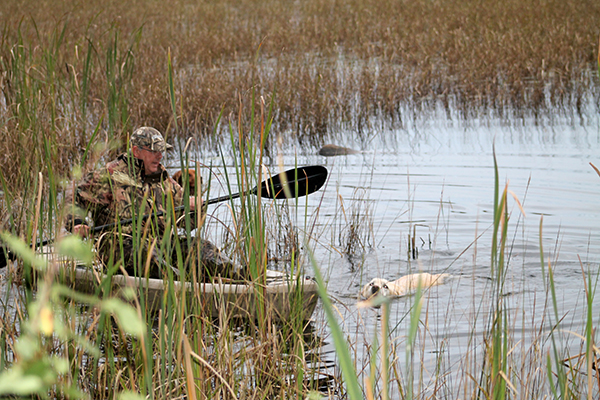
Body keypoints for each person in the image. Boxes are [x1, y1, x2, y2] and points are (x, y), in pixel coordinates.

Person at [65, 126, 239, 281]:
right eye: (154, 151)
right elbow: (72, 197)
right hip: (121, 247)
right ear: (136, 151)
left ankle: (241, 276)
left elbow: (187, 224)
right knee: (148, 256)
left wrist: (195, 209)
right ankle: (180, 285)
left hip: (160, 245)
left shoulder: (164, 181)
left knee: (200, 246)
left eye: (161, 151)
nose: (160, 156)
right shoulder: (108, 176)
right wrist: (77, 223)